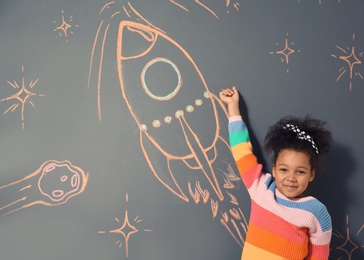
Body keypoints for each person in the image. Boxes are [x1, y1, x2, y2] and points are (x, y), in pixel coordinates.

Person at [219, 87, 333, 260]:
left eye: (300, 171)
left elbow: (319, 257)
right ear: (274, 169)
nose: (291, 178)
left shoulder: (316, 212)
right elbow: (241, 151)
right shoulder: (261, 188)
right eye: (283, 169)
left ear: (311, 174)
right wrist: (233, 107)